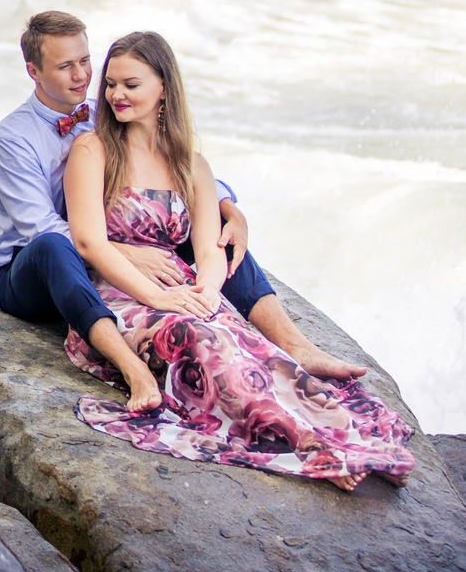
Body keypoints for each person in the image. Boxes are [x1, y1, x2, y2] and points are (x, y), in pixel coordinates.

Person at [62, 30, 413, 490]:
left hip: (184, 287)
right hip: (121, 293)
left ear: (164, 86)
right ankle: (304, 444)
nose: (116, 94)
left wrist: (207, 291)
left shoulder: (192, 164)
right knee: (197, 337)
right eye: (110, 84)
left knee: (244, 345)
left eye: (131, 84)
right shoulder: (93, 149)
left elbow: (209, 249)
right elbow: (88, 243)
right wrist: (161, 299)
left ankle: (345, 437)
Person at [0, 11, 367, 412]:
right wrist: (125, 252)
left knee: (213, 231)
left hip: (99, 256)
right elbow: (42, 228)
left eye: (85, 61)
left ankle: (295, 345)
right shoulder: (15, 139)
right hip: (36, 273)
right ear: (33, 71)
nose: (82, 75)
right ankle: (131, 369)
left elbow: (165, 170)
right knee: (52, 247)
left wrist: (225, 206)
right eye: (66, 66)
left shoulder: (109, 107)